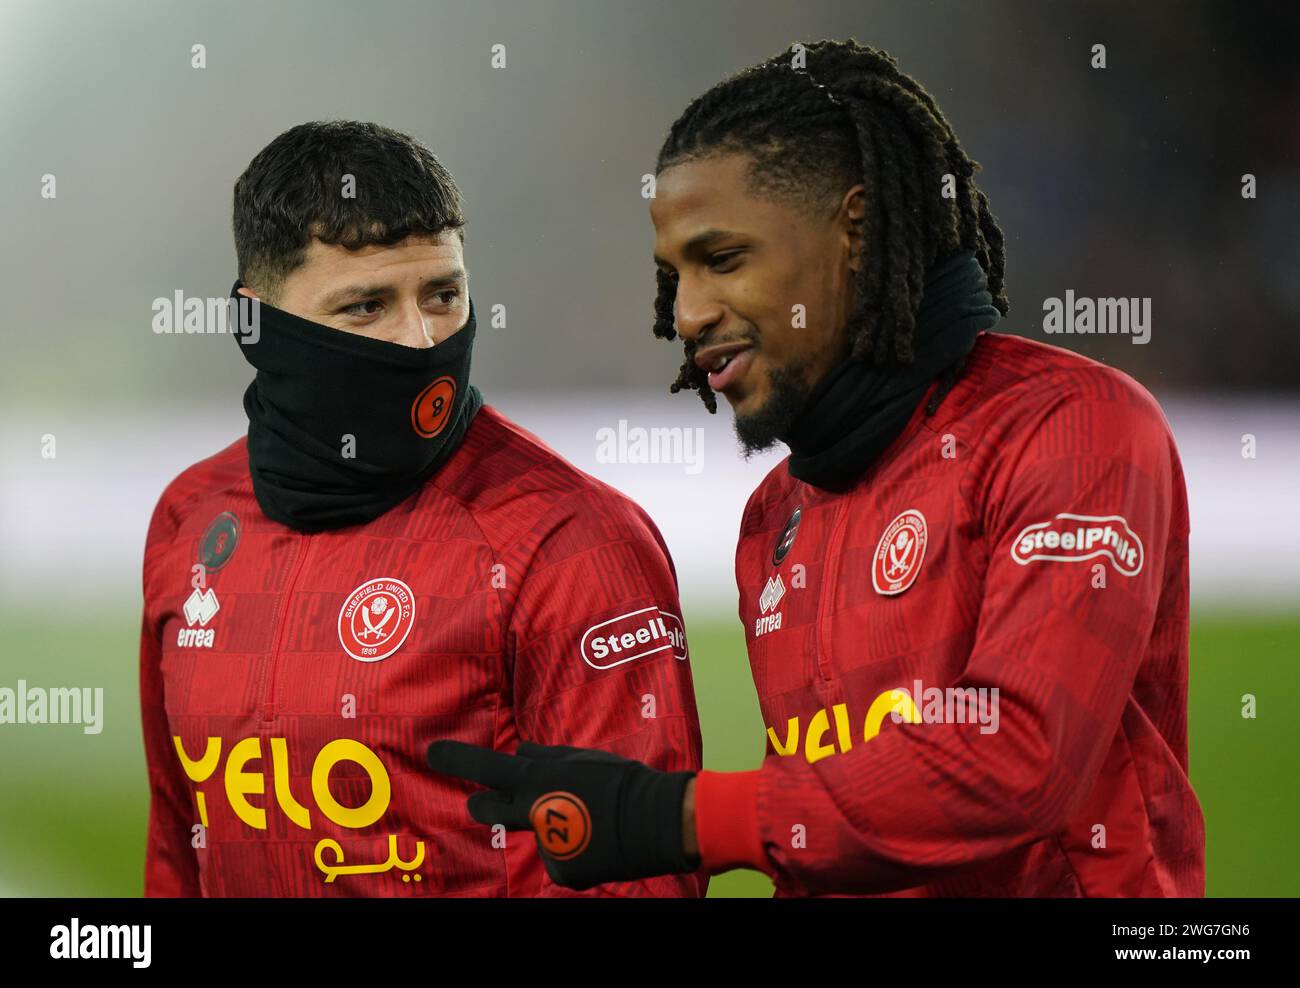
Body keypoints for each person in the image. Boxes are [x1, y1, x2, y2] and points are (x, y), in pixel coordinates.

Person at [428, 41, 1205, 897]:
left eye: (722, 260)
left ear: (858, 228)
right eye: (673, 276)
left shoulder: (1069, 426)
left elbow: (1022, 757)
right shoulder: (775, 515)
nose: (686, 314)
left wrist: (679, 818)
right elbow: (824, 834)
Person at [139, 120, 705, 897]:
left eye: (443, 295)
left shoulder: (572, 541)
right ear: (252, 322)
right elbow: (177, 844)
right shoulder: (190, 520)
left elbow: (641, 882)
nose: (419, 340)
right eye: (366, 307)